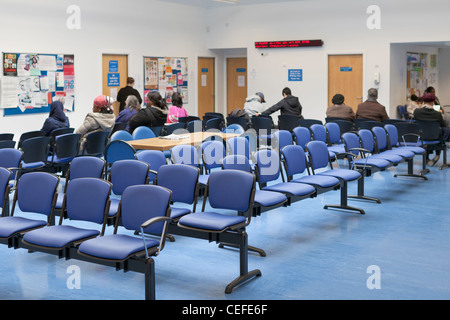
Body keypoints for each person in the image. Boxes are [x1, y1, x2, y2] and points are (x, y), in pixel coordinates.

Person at [413, 92, 450, 166]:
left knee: (427, 132)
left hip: (421, 137)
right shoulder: (438, 114)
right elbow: (442, 125)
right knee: (443, 131)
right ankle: (437, 154)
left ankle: (426, 158)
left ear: (423, 102)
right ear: (433, 102)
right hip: (435, 137)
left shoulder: (416, 112)